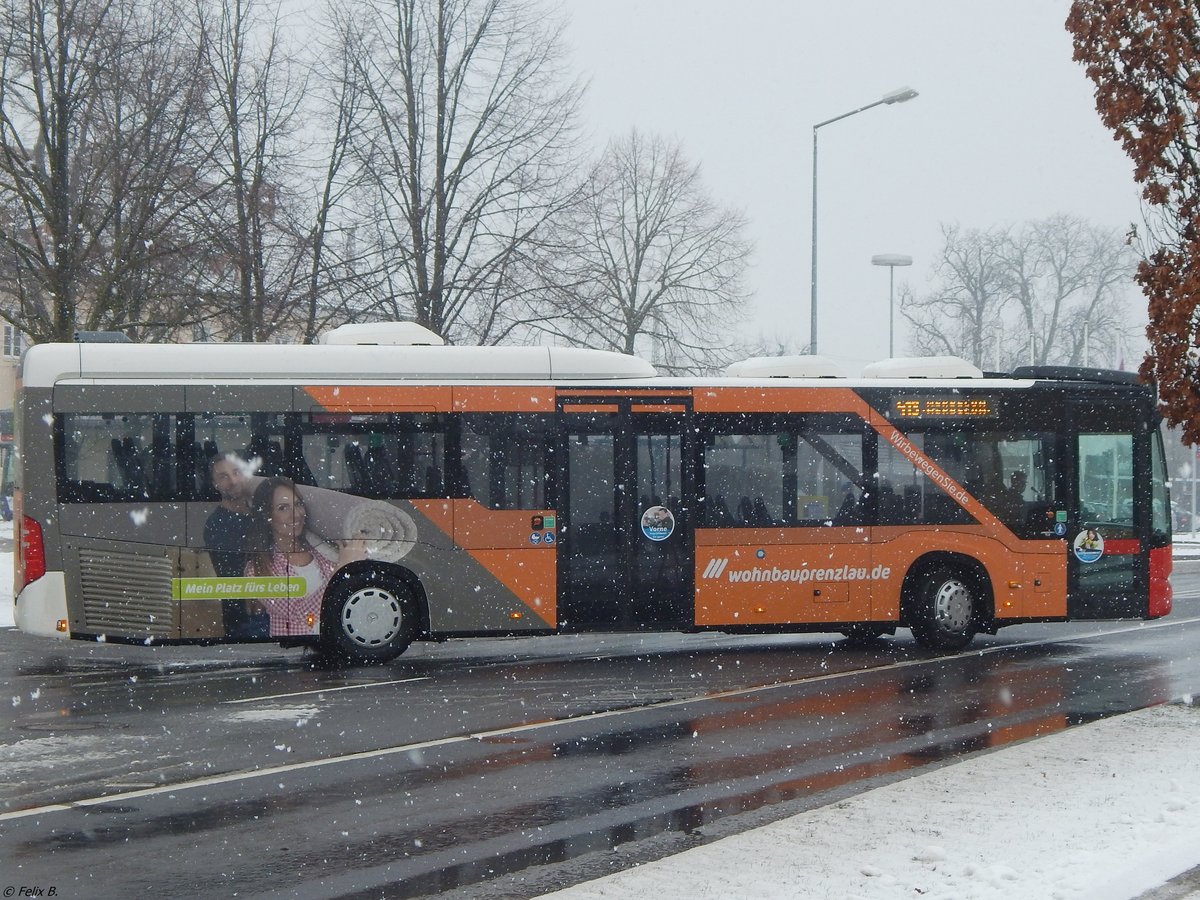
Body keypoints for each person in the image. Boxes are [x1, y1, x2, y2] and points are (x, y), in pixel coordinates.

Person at [243, 477, 366, 637]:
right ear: (267, 517)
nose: (296, 514)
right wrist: (342, 568)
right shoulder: (257, 570)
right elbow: (300, 615)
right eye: (283, 508)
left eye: (298, 504)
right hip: (295, 654)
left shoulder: (325, 552)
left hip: (339, 645)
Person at [203, 453, 257, 636]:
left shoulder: (261, 513)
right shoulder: (217, 524)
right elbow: (235, 573)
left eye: (236, 472)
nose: (233, 480)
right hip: (245, 618)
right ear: (215, 485)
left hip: (270, 610)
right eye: (223, 476)